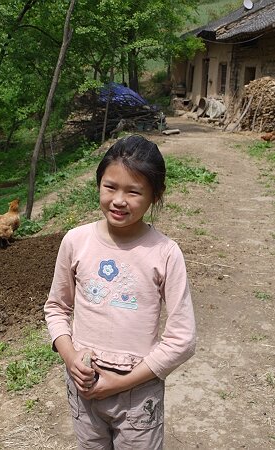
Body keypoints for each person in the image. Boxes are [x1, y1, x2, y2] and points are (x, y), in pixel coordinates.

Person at [44, 134, 196, 449]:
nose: (118, 200)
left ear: (156, 195)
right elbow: (56, 307)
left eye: (134, 191)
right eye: (110, 187)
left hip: (138, 393)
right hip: (83, 384)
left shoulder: (166, 253)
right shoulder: (76, 241)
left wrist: (121, 383)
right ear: (98, 184)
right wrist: (71, 358)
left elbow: (182, 339)